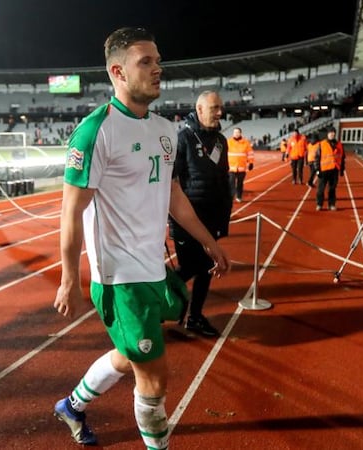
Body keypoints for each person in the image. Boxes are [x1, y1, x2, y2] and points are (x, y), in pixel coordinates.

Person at [52, 27, 230, 448]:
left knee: (131, 354)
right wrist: (67, 277)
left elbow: (173, 196)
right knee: (154, 373)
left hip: (154, 267)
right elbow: (71, 211)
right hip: (119, 279)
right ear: (117, 71)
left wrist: (209, 241)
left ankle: (72, 406)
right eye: (145, 62)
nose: (158, 69)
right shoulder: (96, 131)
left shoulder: (165, 129)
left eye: (158, 61)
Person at [172, 91, 232, 337]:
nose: (220, 113)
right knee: (191, 267)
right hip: (188, 219)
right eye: (214, 108)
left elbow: (223, 179)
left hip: (211, 218)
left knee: (206, 268)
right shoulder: (183, 139)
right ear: (199, 109)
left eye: (221, 107)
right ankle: (165, 306)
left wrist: (224, 217)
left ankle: (193, 316)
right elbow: (172, 182)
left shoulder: (220, 140)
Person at [313, 127, 345, 211]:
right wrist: (317, 170)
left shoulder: (339, 144)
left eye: (334, 132)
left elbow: (342, 157)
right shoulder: (322, 144)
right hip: (324, 170)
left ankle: (331, 204)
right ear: (328, 134)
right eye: (331, 132)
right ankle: (319, 204)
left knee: (332, 189)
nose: (332, 134)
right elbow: (316, 158)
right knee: (321, 189)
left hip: (334, 170)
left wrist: (341, 170)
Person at [226, 126, 254, 203]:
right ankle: (231, 196)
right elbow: (224, 154)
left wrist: (251, 162)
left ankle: (239, 196)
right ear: (233, 133)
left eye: (238, 132)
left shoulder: (246, 142)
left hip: (242, 168)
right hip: (231, 168)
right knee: (231, 183)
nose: (236, 134)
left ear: (240, 133)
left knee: (240, 183)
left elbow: (250, 153)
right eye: (235, 132)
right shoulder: (228, 142)